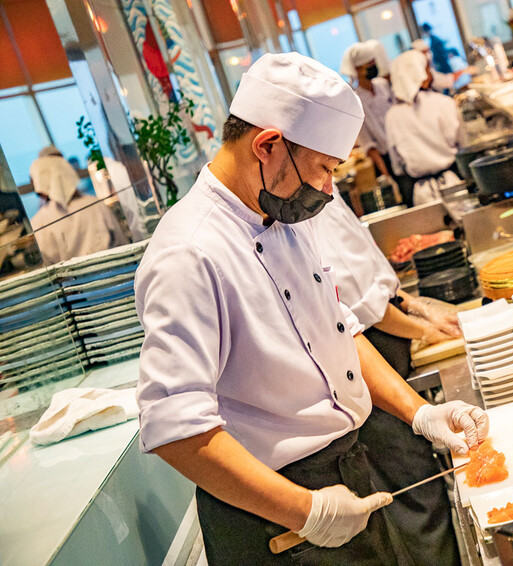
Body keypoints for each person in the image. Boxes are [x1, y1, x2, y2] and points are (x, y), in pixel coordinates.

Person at [134, 52, 489, 564]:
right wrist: (304, 511)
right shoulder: (188, 253)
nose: (327, 189)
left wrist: (421, 413)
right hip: (273, 515)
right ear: (267, 145)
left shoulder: (282, 219)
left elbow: (337, 331)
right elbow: (176, 431)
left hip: (346, 469)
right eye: (323, 169)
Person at [313, 188, 462, 564]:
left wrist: (418, 308)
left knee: (416, 475)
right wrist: (422, 330)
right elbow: (361, 312)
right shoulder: (301, 204)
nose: (329, 175)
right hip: (373, 350)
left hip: (387, 334)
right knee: (414, 491)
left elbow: (374, 277)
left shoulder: (321, 184)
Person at [386, 50, 463, 207]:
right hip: (453, 182)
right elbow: (462, 143)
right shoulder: (444, 103)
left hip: (420, 194)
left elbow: (397, 166)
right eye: (427, 68)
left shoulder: (392, 116)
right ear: (419, 73)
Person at [29, 152, 129, 264]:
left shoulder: (38, 222)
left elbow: (47, 266)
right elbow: (122, 244)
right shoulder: (94, 204)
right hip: (115, 272)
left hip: (73, 281)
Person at [340, 41, 395, 180]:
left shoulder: (382, 85)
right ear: (357, 69)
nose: (372, 67)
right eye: (368, 65)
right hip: (385, 158)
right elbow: (368, 145)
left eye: (373, 63)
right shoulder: (356, 100)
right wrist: (387, 176)